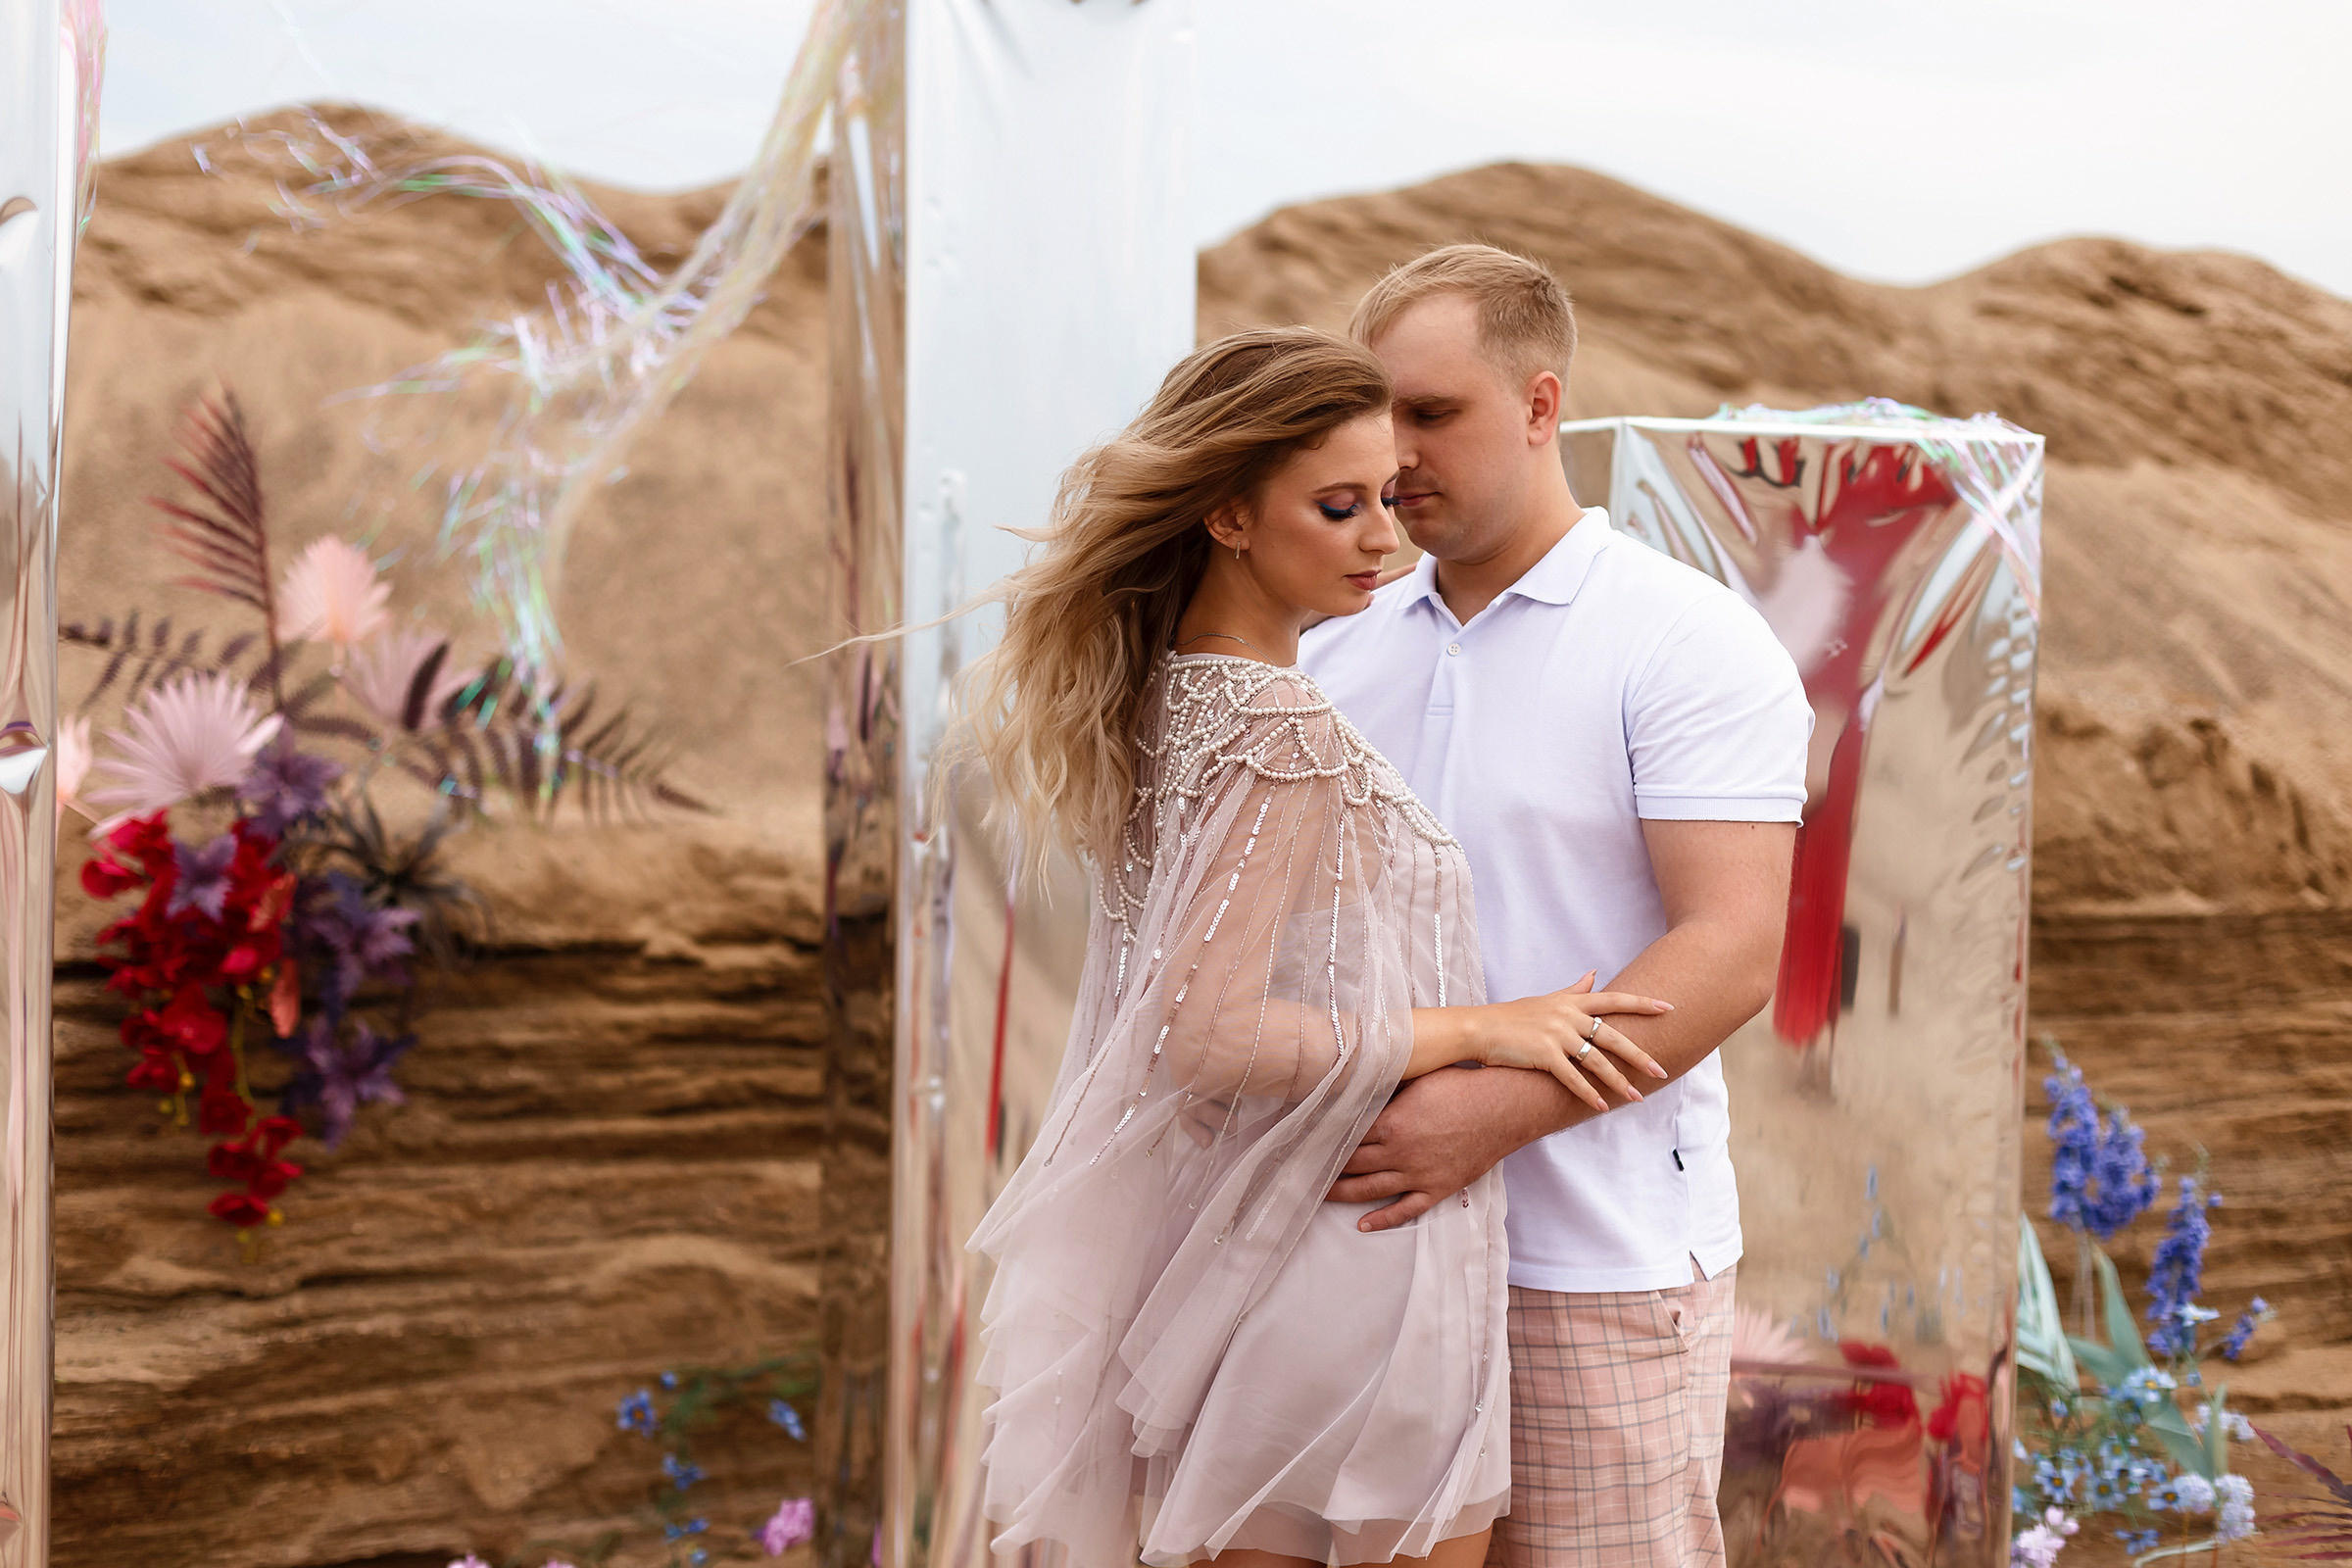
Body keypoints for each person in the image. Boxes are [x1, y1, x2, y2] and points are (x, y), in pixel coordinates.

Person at [962, 326, 1673, 1568]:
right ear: (1229, 517)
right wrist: (1487, 1029)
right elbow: (1210, 1031)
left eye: (1386, 502)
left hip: (1255, 1250)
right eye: (1339, 507)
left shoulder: (1174, 698)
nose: (1381, 539)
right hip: (1355, 1274)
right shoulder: (1276, 727)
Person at [1299, 246, 1812, 1568]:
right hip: (1367, 1251)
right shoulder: (1324, 646)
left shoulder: (1683, 640)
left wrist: (1490, 1117)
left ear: (1541, 405)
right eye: (1377, 419)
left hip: (1597, 1264)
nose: (1397, 454)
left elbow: (1731, 949)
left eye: (1431, 412)